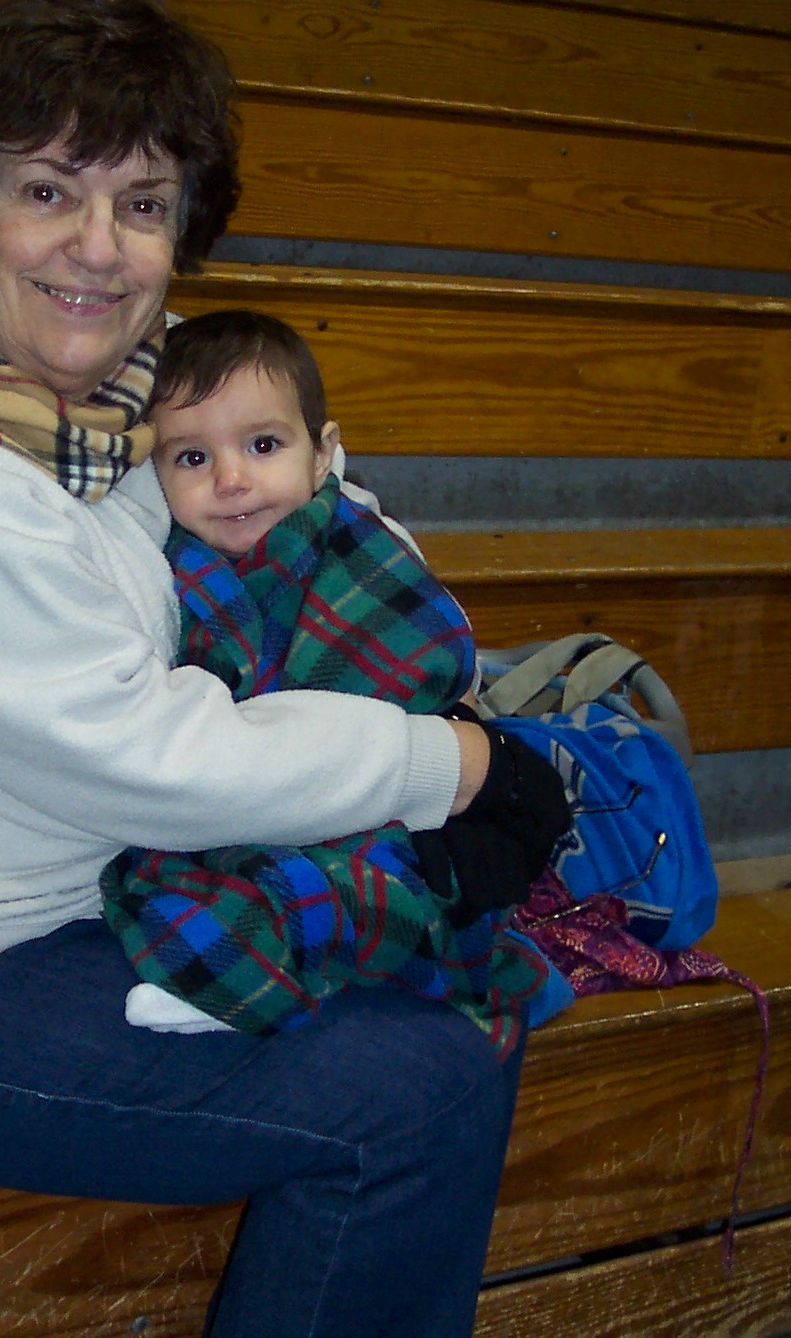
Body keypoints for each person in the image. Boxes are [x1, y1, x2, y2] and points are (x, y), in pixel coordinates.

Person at [0, 3, 565, 1338]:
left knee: (452, 979)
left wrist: (401, 663)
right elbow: (152, 759)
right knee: (419, 1088)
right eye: (48, 192)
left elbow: (307, 512)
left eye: (142, 203)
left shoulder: (115, 381)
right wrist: (442, 763)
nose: (98, 249)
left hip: (81, 891)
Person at [104, 309, 556, 1053]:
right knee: (169, 871)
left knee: (378, 878)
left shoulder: (367, 548)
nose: (231, 480)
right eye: (191, 458)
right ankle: (257, 963)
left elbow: (433, 660)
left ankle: (269, 966)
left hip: (382, 806)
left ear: (321, 454)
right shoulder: (171, 569)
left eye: (263, 445)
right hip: (246, 798)